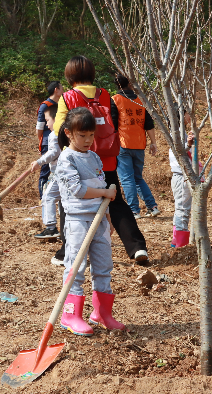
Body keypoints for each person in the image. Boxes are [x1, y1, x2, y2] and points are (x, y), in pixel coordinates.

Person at [53, 55, 149, 266]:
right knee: (116, 202)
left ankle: (65, 252)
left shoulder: (68, 98)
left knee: (69, 204)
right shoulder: (105, 95)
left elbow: (59, 129)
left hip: (79, 161)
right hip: (106, 159)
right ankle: (137, 246)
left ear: (70, 76)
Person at [54, 107, 125, 335]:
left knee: (104, 266)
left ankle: (102, 313)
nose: (87, 140)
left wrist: (108, 217)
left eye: (91, 135)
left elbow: (101, 188)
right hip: (78, 221)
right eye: (82, 135)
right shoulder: (66, 159)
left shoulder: (94, 157)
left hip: (99, 219)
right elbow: (77, 189)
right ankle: (70, 314)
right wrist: (104, 194)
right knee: (76, 266)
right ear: (69, 133)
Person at [112, 73, 160, 219]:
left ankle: (134, 210)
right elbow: (149, 124)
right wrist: (153, 143)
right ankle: (152, 207)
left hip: (123, 144)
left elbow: (113, 124)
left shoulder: (115, 100)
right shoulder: (140, 100)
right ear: (130, 84)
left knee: (127, 179)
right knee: (138, 178)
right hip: (139, 145)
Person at [31, 106, 62, 239]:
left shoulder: (54, 134)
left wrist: (39, 161)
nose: (47, 123)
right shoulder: (65, 133)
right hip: (65, 172)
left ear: (56, 119)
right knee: (63, 200)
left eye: (48, 120)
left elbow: (53, 152)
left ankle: (51, 227)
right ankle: (66, 228)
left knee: (48, 197)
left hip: (59, 173)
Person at [170, 110, 195, 248]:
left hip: (182, 176)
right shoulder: (176, 133)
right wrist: (189, 145)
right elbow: (178, 149)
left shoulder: (181, 133)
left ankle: (177, 239)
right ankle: (180, 242)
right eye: (187, 113)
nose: (189, 116)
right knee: (182, 209)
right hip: (181, 177)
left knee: (182, 208)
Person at [36, 81, 64, 198]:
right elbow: (39, 128)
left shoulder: (60, 104)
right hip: (48, 142)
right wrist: (41, 143)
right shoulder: (45, 105)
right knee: (46, 171)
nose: (64, 90)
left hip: (58, 140)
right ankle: (43, 197)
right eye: (62, 88)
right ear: (56, 90)